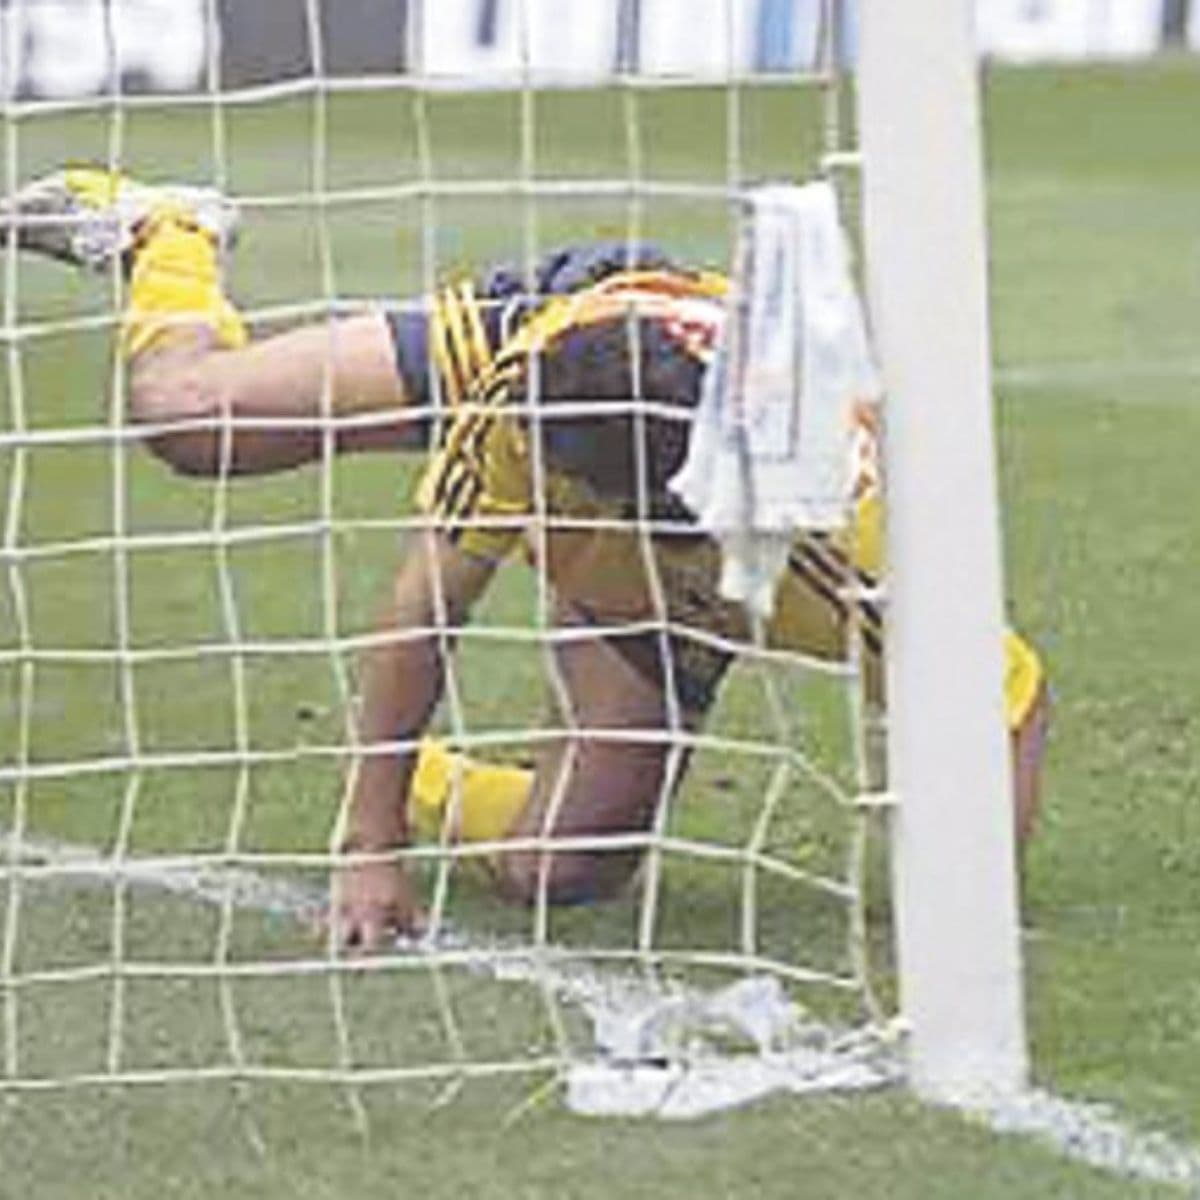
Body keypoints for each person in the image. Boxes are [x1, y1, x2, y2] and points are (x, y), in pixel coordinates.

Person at [9, 167, 1050, 950]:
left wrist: (970, 904)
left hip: (694, 552)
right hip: (563, 313)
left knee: (562, 867)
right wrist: (370, 848)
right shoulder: (519, 402)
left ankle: (419, 775)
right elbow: (426, 610)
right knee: (189, 421)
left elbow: (1009, 694)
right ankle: (168, 232)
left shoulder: (844, 525)